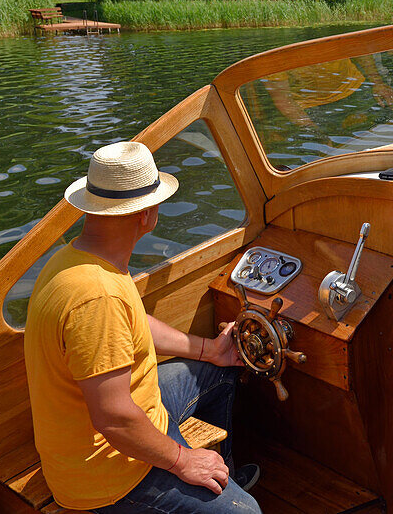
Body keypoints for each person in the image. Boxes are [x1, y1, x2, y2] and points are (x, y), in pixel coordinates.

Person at [23, 141, 261, 513]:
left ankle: (222, 473)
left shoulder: (80, 259)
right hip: (106, 478)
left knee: (219, 372)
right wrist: (184, 461)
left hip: (114, 428)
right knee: (245, 512)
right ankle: (213, 487)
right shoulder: (98, 296)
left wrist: (208, 349)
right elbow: (114, 418)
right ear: (147, 213)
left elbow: (135, 322)